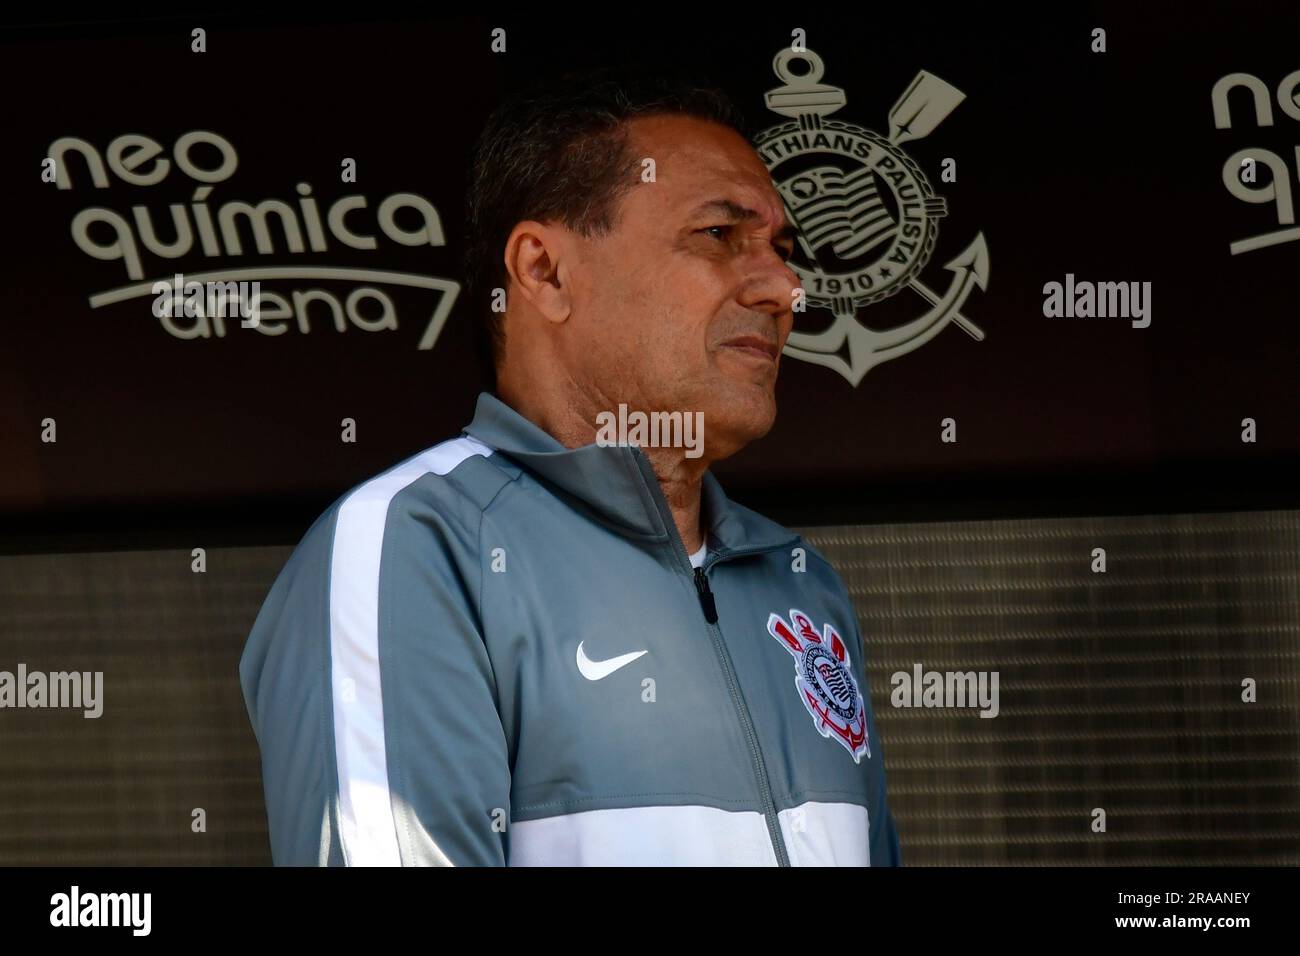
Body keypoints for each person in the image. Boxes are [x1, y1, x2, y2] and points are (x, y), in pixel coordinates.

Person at [239, 66, 901, 866]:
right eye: (720, 236)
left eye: (781, 249)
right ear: (545, 273)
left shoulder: (801, 582)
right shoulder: (417, 546)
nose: (785, 288)